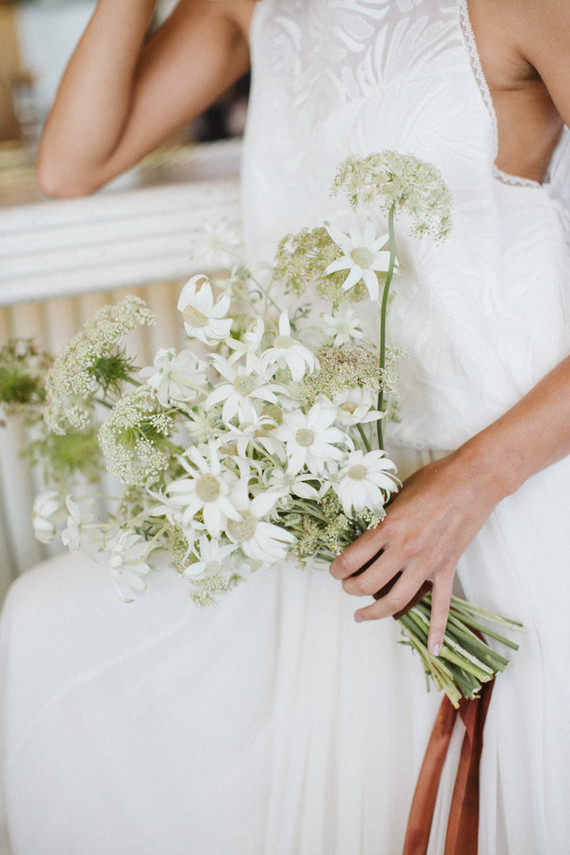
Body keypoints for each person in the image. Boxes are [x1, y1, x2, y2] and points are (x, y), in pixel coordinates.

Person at [1, 0, 570, 852]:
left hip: (512, 495)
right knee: (48, 623)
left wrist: (474, 480)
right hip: (344, 518)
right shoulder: (248, 5)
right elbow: (70, 164)